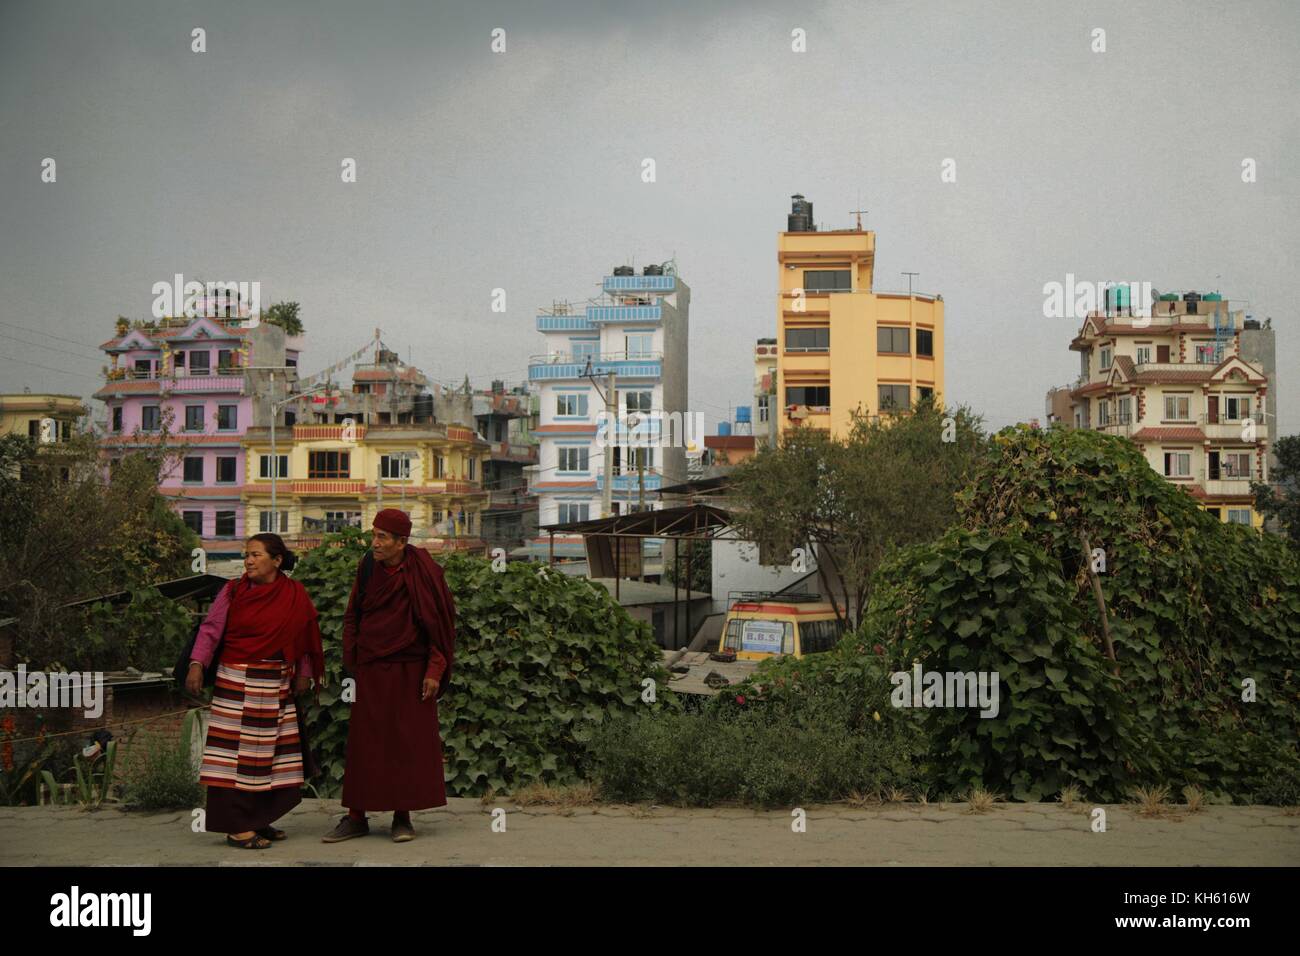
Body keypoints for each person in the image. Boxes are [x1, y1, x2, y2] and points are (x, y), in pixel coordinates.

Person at [322, 508, 455, 844]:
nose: (375, 543)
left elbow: (438, 628)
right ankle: (356, 817)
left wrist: (434, 671)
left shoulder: (424, 571)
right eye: (374, 534)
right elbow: (354, 613)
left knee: (406, 744)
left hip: (411, 670)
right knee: (364, 745)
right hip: (371, 669)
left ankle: (402, 817)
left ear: (401, 542)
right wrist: (352, 660)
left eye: (382, 537)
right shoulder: (368, 567)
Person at [187, 533, 324, 850]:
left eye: (256, 555)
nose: (248, 561)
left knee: (272, 756)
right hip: (235, 681)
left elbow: (304, 636)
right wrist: (197, 663)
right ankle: (236, 827)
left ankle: (258, 819)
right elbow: (211, 628)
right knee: (232, 757)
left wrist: (304, 674)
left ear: (276, 561)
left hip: (276, 683)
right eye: (246, 555)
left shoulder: (294, 594)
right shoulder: (232, 591)